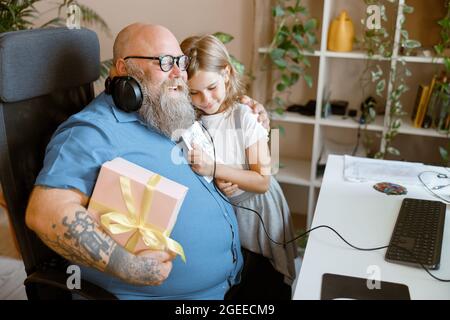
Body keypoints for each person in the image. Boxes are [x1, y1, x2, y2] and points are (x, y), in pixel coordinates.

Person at [25, 23, 270, 300]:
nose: (179, 72)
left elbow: (218, 110)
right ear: (123, 68)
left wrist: (251, 111)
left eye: (180, 61)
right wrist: (129, 266)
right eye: (165, 62)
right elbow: (45, 212)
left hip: (234, 278)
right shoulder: (93, 131)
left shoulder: (162, 108)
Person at [180, 35, 298, 299]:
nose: (205, 99)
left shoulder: (244, 114)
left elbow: (262, 180)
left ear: (226, 73)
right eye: (194, 92)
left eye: (211, 87)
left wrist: (216, 169)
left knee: (270, 279)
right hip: (231, 212)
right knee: (243, 279)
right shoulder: (193, 118)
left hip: (259, 209)